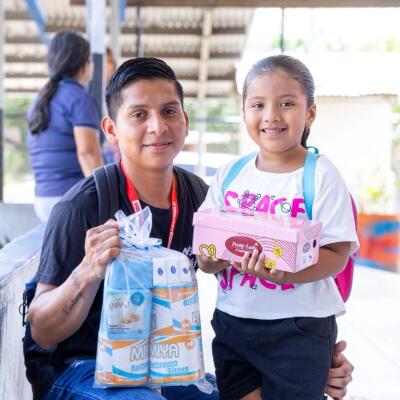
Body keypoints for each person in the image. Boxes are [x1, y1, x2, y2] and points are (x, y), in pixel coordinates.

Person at [25, 57, 354, 400]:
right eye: (139, 115)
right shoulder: (82, 207)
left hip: (166, 365)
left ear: (185, 120)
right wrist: (88, 270)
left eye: (169, 112)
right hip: (82, 368)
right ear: (111, 130)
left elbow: (257, 271)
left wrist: (314, 359)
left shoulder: (201, 197)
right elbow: (42, 333)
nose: (158, 127)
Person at [197, 54, 359, 400]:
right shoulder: (229, 174)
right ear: (244, 112)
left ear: (310, 113)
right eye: (258, 104)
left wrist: (287, 274)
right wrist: (212, 261)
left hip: (299, 328)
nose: (271, 115)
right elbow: (206, 252)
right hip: (232, 320)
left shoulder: (322, 175)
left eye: (286, 103)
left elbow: (337, 254)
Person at [27, 31, 103, 222]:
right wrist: (105, 195)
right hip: (71, 199)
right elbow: (88, 153)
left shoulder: (40, 99)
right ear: (83, 63)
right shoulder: (79, 98)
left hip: (42, 198)